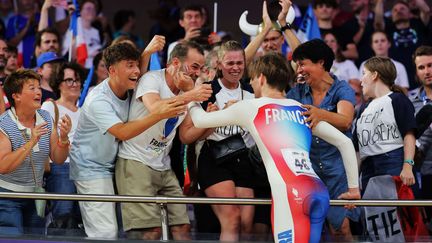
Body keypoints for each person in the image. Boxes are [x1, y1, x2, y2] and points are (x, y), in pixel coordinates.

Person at [188, 52, 360, 243]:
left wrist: (192, 95)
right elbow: (344, 142)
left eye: (252, 79)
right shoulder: (301, 108)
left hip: (290, 195)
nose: (252, 84)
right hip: (317, 190)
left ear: (261, 78)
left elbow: (200, 120)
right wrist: (354, 189)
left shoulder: (251, 107)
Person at [69, 43, 185, 239]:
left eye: (137, 65)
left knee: (126, 231)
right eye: (130, 65)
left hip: (115, 163)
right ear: (112, 70)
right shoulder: (98, 100)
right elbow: (122, 132)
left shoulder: (127, 87)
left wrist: (146, 52)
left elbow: (141, 74)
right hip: (91, 168)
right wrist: (158, 114)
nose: (137, 71)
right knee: (105, 233)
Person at [115, 41, 212, 240]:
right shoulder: (151, 79)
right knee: (149, 233)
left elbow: (186, 136)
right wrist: (192, 95)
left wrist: (213, 121)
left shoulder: (186, 90)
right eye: (194, 67)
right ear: (175, 63)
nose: (197, 73)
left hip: (163, 165)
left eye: (201, 68)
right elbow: (156, 108)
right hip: (136, 162)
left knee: (182, 228)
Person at [179, 40, 256, 241]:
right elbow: (185, 136)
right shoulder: (204, 91)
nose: (235, 67)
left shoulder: (251, 92)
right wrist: (213, 119)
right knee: (232, 219)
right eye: (230, 63)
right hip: (213, 157)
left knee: (247, 226)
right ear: (219, 64)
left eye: (239, 62)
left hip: (243, 159)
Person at [287, 39, 359, 241]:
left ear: (321, 63)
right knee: (310, 231)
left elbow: (345, 121)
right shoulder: (298, 91)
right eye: (298, 64)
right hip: (308, 172)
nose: (299, 69)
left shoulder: (342, 89)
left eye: (303, 63)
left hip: (337, 172)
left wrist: (320, 113)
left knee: (341, 230)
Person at [0, 69, 72, 235]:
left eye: (38, 87)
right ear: (16, 96)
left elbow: (58, 158)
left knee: (36, 239)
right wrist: (31, 142)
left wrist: (64, 138)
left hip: (35, 196)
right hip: (7, 198)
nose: (38, 91)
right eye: (31, 88)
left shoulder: (46, 117)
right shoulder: (4, 124)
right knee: (12, 239)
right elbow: (3, 166)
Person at [354, 56, 416, 191]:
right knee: (372, 211)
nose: (361, 80)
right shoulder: (362, 109)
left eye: (364, 74)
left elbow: (409, 135)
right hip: (367, 167)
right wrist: (353, 183)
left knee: (395, 210)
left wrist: (407, 165)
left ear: (374, 75)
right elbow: (358, 150)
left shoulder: (397, 99)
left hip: (393, 160)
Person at [41, 62, 85, 223]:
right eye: (69, 80)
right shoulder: (50, 106)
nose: (75, 84)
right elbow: (44, 139)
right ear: (58, 83)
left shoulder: (84, 111)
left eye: (78, 80)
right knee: (63, 213)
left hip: (85, 168)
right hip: (61, 166)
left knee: (82, 217)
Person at [409, 45, 432, 221]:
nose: (427, 71)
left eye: (430, 65)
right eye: (421, 67)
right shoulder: (410, 101)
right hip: (423, 175)